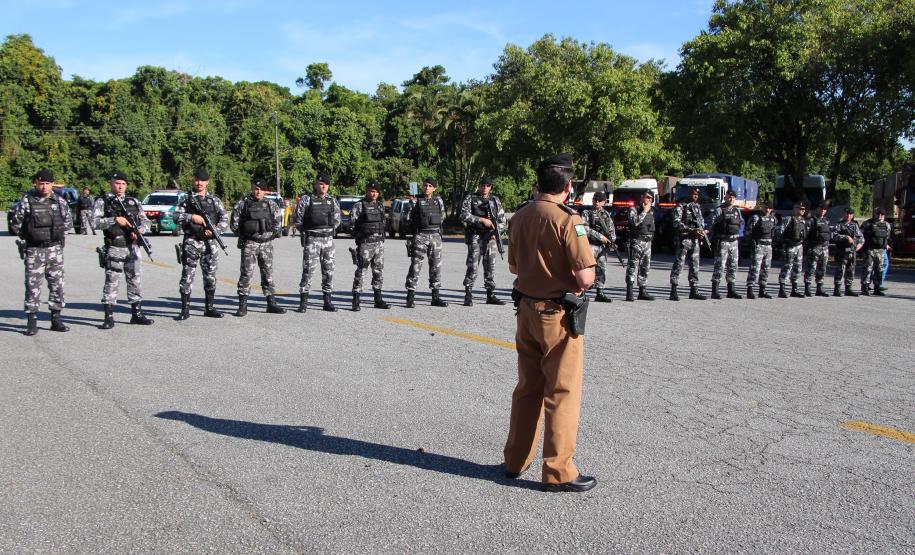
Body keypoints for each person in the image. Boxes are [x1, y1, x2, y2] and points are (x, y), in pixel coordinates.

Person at [503, 153, 597, 493]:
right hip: (557, 315)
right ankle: (559, 471)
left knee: (527, 388)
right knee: (562, 392)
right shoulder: (570, 220)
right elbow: (585, 277)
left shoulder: (520, 215)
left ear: (538, 184)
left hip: (525, 310)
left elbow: (514, 267)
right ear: (568, 186)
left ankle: (515, 460)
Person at [9, 169, 72, 335]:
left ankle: (56, 319)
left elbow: (67, 223)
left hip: (54, 250)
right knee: (32, 286)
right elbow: (16, 224)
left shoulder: (59, 201)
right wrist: (30, 236)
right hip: (34, 249)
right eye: (41, 183)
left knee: (57, 285)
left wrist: (58, 239)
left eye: (47, 183)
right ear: (35, 183)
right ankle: (31, 320)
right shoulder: (27, 201)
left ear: (52, 184)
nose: (44, 187)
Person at [92, 171, 154, 328]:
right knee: (112, 281)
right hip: (115, 246)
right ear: (111, 183)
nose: (120, 186)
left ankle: (136, 314)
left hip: (132, 247)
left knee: (135, 280)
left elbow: (146, 222)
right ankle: (109, 316)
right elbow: (94, 222)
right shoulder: (103, 201)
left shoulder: (133, 202)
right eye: (117, 183)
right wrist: (114, 220)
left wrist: (139, 230)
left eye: (123, 184)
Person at [174, 168, 229, 320]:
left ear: (207, 182)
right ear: (193, 180)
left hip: (210, 243)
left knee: (210, 276)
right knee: (187, 275)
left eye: (202, 180)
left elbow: (224, 219)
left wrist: (215, 231)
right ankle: (185, 310)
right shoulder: (186, 199)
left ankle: (209, 307)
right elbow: (176, 216)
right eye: (197, 180)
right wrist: (192, 217)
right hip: (192, 241)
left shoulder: (214, 200)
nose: (199, 183)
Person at [229, 178, 286, 316]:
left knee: (268, 273)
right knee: (246, 274)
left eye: (260, 189)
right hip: (250, 243)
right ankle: (242, 305)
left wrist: (269, 233)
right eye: (255, 188)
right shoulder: (243, 204)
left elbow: (278, 225)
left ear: (265, 191)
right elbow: (234, 224)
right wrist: (246, 230)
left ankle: (271, 303)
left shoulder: (271, 204)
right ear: (252, 188)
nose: (258, 191)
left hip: (266, 243)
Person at [293, 173, 341, 312]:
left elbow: (337, 220)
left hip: (328, 240)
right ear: (315, 184)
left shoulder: (332, 200)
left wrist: (328, 229)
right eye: (320, 184)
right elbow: (297, 219)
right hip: (312, 239)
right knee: (308, 271)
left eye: (325, 184)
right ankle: (303, 302)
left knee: (329, 271)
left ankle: (327, 301)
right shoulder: (307, 199)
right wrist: (307, 230)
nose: (323, 186)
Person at [459, 176, 506, 306]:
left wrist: (496, 232)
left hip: (490, 238)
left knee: (490, 267)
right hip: (476, 236)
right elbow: (463, 215)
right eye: (483, 185)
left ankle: (490, 294)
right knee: (472, 266)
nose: (485, 188)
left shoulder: (495, 201)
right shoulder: (471, 198)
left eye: (488, 185)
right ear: (479, 185)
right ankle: (468, 293)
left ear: (491, 187)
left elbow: (502, 221)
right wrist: (481, 220)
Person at [403, 177, 448, 308]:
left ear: (434, 188)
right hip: (420, 235)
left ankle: (435, 296)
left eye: (430, 186)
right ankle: (410, 295)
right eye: (425, 185)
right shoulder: (416, 200)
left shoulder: (438, 200)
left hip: (435, 236)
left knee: (436, 266)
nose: (427, 188)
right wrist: (411, 207)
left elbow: (442, 216)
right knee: (415, 266)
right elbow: (407, 217)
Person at [350, 181, 390, 311]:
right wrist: (360, 237)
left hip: (379, 244)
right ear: (367, 191)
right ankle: (356, 299)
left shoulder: (380, 206)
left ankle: (378, 299)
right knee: (361, 271)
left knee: (378, 272)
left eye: (376, 192)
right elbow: (352, 225)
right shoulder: (359, 206)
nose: (373, 194)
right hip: (365, 244)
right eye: (371, 191)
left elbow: (383, 222)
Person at [669, 187, 708, 300]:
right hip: (684, 239)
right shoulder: (681, 205)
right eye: (693, 193)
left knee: (695, 266)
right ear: (689, 193)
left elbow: (701, 223)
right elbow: (676, 223)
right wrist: (691, 230)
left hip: (695, 240)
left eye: (697, 194)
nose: (695, 196)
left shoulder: (697, 207)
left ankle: (694, 290)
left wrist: (701, 232)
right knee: (679, 265)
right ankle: (674, 290)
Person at [580, 191, 616, 303]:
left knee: (601, 269)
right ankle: (582, 292)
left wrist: (612, 241)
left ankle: (600, 292)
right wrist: (601, 237)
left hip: (602, 247)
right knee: (587, 269)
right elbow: (583, 229)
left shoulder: (606, 215)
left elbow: (611, 230)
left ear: (604, 202)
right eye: (595, 199)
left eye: (599, 200)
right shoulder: (586, 213)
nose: (596, 202)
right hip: (590, 245)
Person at [709, 189, 744, 299]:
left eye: (733, 197)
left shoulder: (737, 210)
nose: (731, 199)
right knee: (720, 266)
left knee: (733, 266)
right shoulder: (720, 210)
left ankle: (731, 290)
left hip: (734, 242)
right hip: (723, 241)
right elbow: (712, 224)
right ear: (725, 197)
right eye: (729, 197)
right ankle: (715, 290)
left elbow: (741, 223)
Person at [626, 191, 656, 301]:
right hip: (637, 241)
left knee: (645, 267)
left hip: (647, 242)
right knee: (632, 267)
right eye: (647, 197)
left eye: (651, 198)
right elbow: (635, 222)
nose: (649, 200)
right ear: (642, 197)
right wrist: (644, 211)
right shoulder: (634, 209)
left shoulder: (652, 212)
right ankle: (630, 291)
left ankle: (642, 291)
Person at [745, 201, 777, 299]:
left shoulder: (773, 219)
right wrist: (752, 243)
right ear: (762, 207)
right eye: (765, 207)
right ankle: (750, 289)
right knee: (755, 268)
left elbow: (774, 232)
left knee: (766, 269)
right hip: (759, 245)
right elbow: (748, 232)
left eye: (769, 208)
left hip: (768, 246)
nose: (767, 210)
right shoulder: (756, 218)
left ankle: (762, 290)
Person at [859, 207, 892, 296]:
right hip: (870, 250)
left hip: (881, 251)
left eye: (882, 214)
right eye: (878, 214)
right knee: (867, 269)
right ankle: (865, 288)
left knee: (879, 270)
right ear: (875, 214)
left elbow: (887, 237)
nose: (880, 216)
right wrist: (861, 247)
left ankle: (877, 288)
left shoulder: (886, 225)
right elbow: (860, 235)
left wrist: (887, 246)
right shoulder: (867, 224)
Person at [777, 203, 808, 298]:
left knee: (798, 268)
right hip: (789, 247)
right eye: (800, 209)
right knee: (787, 267)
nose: (802, 210)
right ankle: (782, 289)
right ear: (795, 209)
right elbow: (779, 232)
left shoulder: (803, 221)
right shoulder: (788, 219)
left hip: (799, 246)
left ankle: (794, 289)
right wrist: (784, 243)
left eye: (804, 209)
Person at [831, 207, 863, 297]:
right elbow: (834, 236)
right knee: (840, 270)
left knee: (851, 270)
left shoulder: (854, 225)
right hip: (842, 251)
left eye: (850, 214)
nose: (848, 216)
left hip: (852, 251)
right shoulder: (839, 225)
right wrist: (846, 237)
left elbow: (861, 237)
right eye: (847, 214)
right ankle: (837, 289)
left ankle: (848, 288)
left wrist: (860, 244)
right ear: (843, 214)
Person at [803, 203, 832, 297]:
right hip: (814, 248)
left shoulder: (827, 220)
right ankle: (807, 288)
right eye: (821, 208)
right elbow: (805, 234)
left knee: (822, 269)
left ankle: (819, 288)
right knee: (811, 268)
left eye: (825, 209)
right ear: (818, 209)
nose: (823, 210)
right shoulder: (811, 220)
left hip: (825, 248)